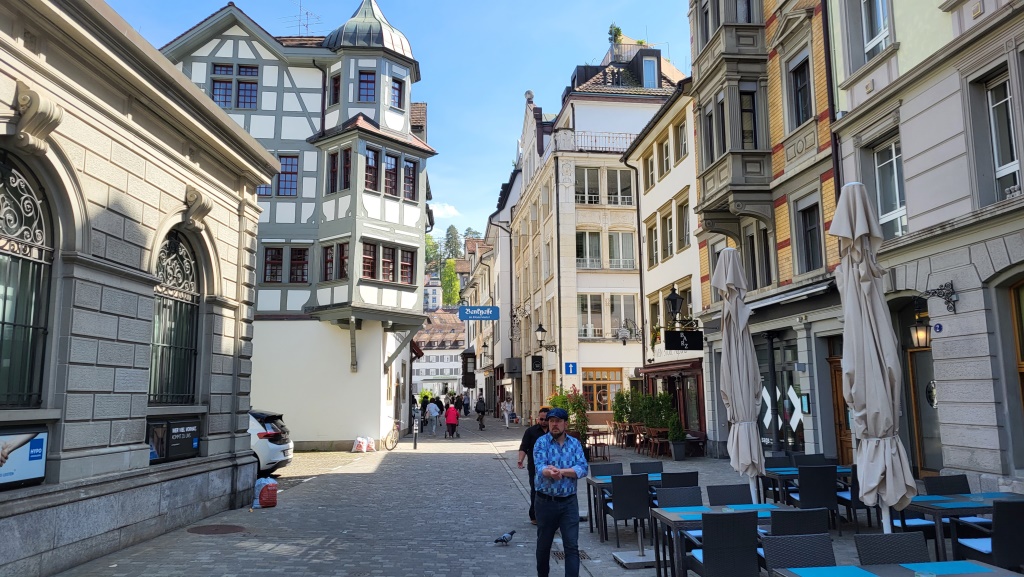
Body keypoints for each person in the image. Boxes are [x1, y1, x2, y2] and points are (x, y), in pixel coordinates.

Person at [533, 408, 588, 577]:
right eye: (551, 421)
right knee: (544, 546)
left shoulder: (575, 444)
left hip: (569, 503)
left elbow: (583, 468)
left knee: (571, 546)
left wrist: (561, 472)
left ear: (565, 423)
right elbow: (540, 466)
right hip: (545, 502)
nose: (554, 425)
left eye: (558, 421)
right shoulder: (541, 443)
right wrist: (550, 473)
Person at [517, 407, 550, 525]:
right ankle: (534, 515)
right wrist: (520, 459)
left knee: (550, 491)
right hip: (534, 466)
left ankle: (549, 515)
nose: (543, 422)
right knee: (535, 490)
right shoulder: (531, 431)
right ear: (537, 419)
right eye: (541, 419)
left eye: (546, 419)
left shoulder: (554, 432)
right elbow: (523, 447)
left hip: (551, 467)